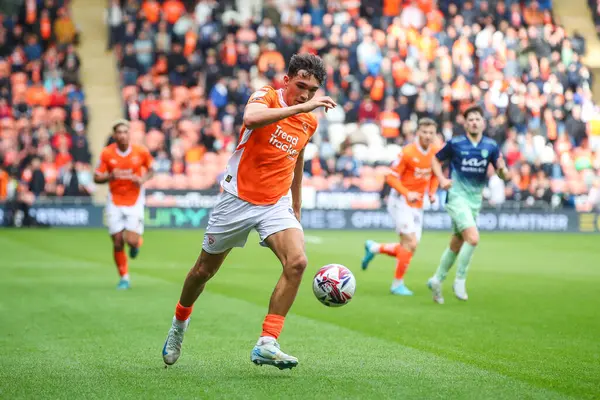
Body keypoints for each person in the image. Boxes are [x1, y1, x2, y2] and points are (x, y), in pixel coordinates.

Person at [161, 54, 336, 370]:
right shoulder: (266, 96)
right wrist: (301, 107)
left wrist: (296, 205)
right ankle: (179, 322)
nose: (306, 95)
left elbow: (298, 156)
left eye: (312, 91)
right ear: (286, 81)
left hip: (275, 204)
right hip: (237, 198)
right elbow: (252, 119)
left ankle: (267, 342)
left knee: (297, 262)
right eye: (301, 86)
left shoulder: (309, 120)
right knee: (204, 270)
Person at [427, 105, 510, 303]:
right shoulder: (455, 143)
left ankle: (437, 279)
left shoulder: (490, 146)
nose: (474, 122)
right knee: (472, 238)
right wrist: (441, 179)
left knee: (457, 242)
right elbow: (435, 160)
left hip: (475, 200)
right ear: (465, 123)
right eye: (470, 119)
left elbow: (501, 168)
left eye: (477, 119)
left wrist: (503, 172)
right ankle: (460, 279)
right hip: (456, 196)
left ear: (483, 122)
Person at [361, 118, 439, 295]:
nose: (427, 136)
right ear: (418, 133)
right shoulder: (407, 152)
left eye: (431, 133)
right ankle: (397, 284)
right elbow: (390, 177)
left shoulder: (435, 152)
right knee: (409, 243)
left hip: (418, 204)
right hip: (400, 201)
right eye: (424, 132)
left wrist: (432, 192)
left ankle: (374, 247)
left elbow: (435, 175)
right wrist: (407, 193)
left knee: (410, 247)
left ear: (435, 134)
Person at [93, 120, 154, 289]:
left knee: (131, 240)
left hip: (134, 200)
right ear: (114, 136)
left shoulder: (140, 152)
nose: (122, 135)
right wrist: (110, 176)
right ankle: (124, 277)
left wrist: (142, 179)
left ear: (129, 134)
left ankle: (136, 245)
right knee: (118, 241)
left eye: (125, 132)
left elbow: (152, 170)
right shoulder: (107, 154)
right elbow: (96, 177)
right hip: (114, 200)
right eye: (119, 132)